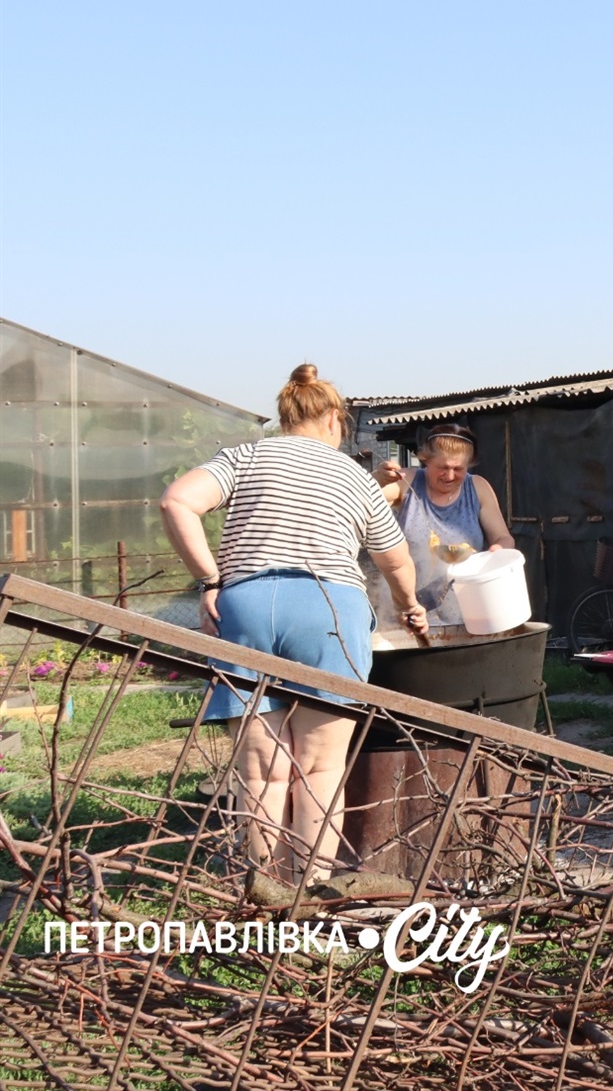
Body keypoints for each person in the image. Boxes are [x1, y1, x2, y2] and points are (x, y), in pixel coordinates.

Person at [160, 364, 427, 894]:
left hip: (247, 606)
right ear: (333, 419)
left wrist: (208, 580)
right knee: (320, 768)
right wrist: (409, 604)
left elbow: (177, 501)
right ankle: (310, 895)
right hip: (328, 609)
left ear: (285, 416)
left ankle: (263, 889)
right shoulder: (352, 474)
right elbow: (395, 562)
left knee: (261, 772)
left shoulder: (244, 456)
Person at [374, 422, 515, 627]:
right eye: (443, 467)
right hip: (410, 613)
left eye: (458, 469)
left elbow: (503, 537)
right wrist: (378, 479)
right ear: (425, 459)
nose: (450, 476)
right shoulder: (407, 482)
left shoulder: (478, 488)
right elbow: (361, 497)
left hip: (468, 612)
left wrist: (499, 550)